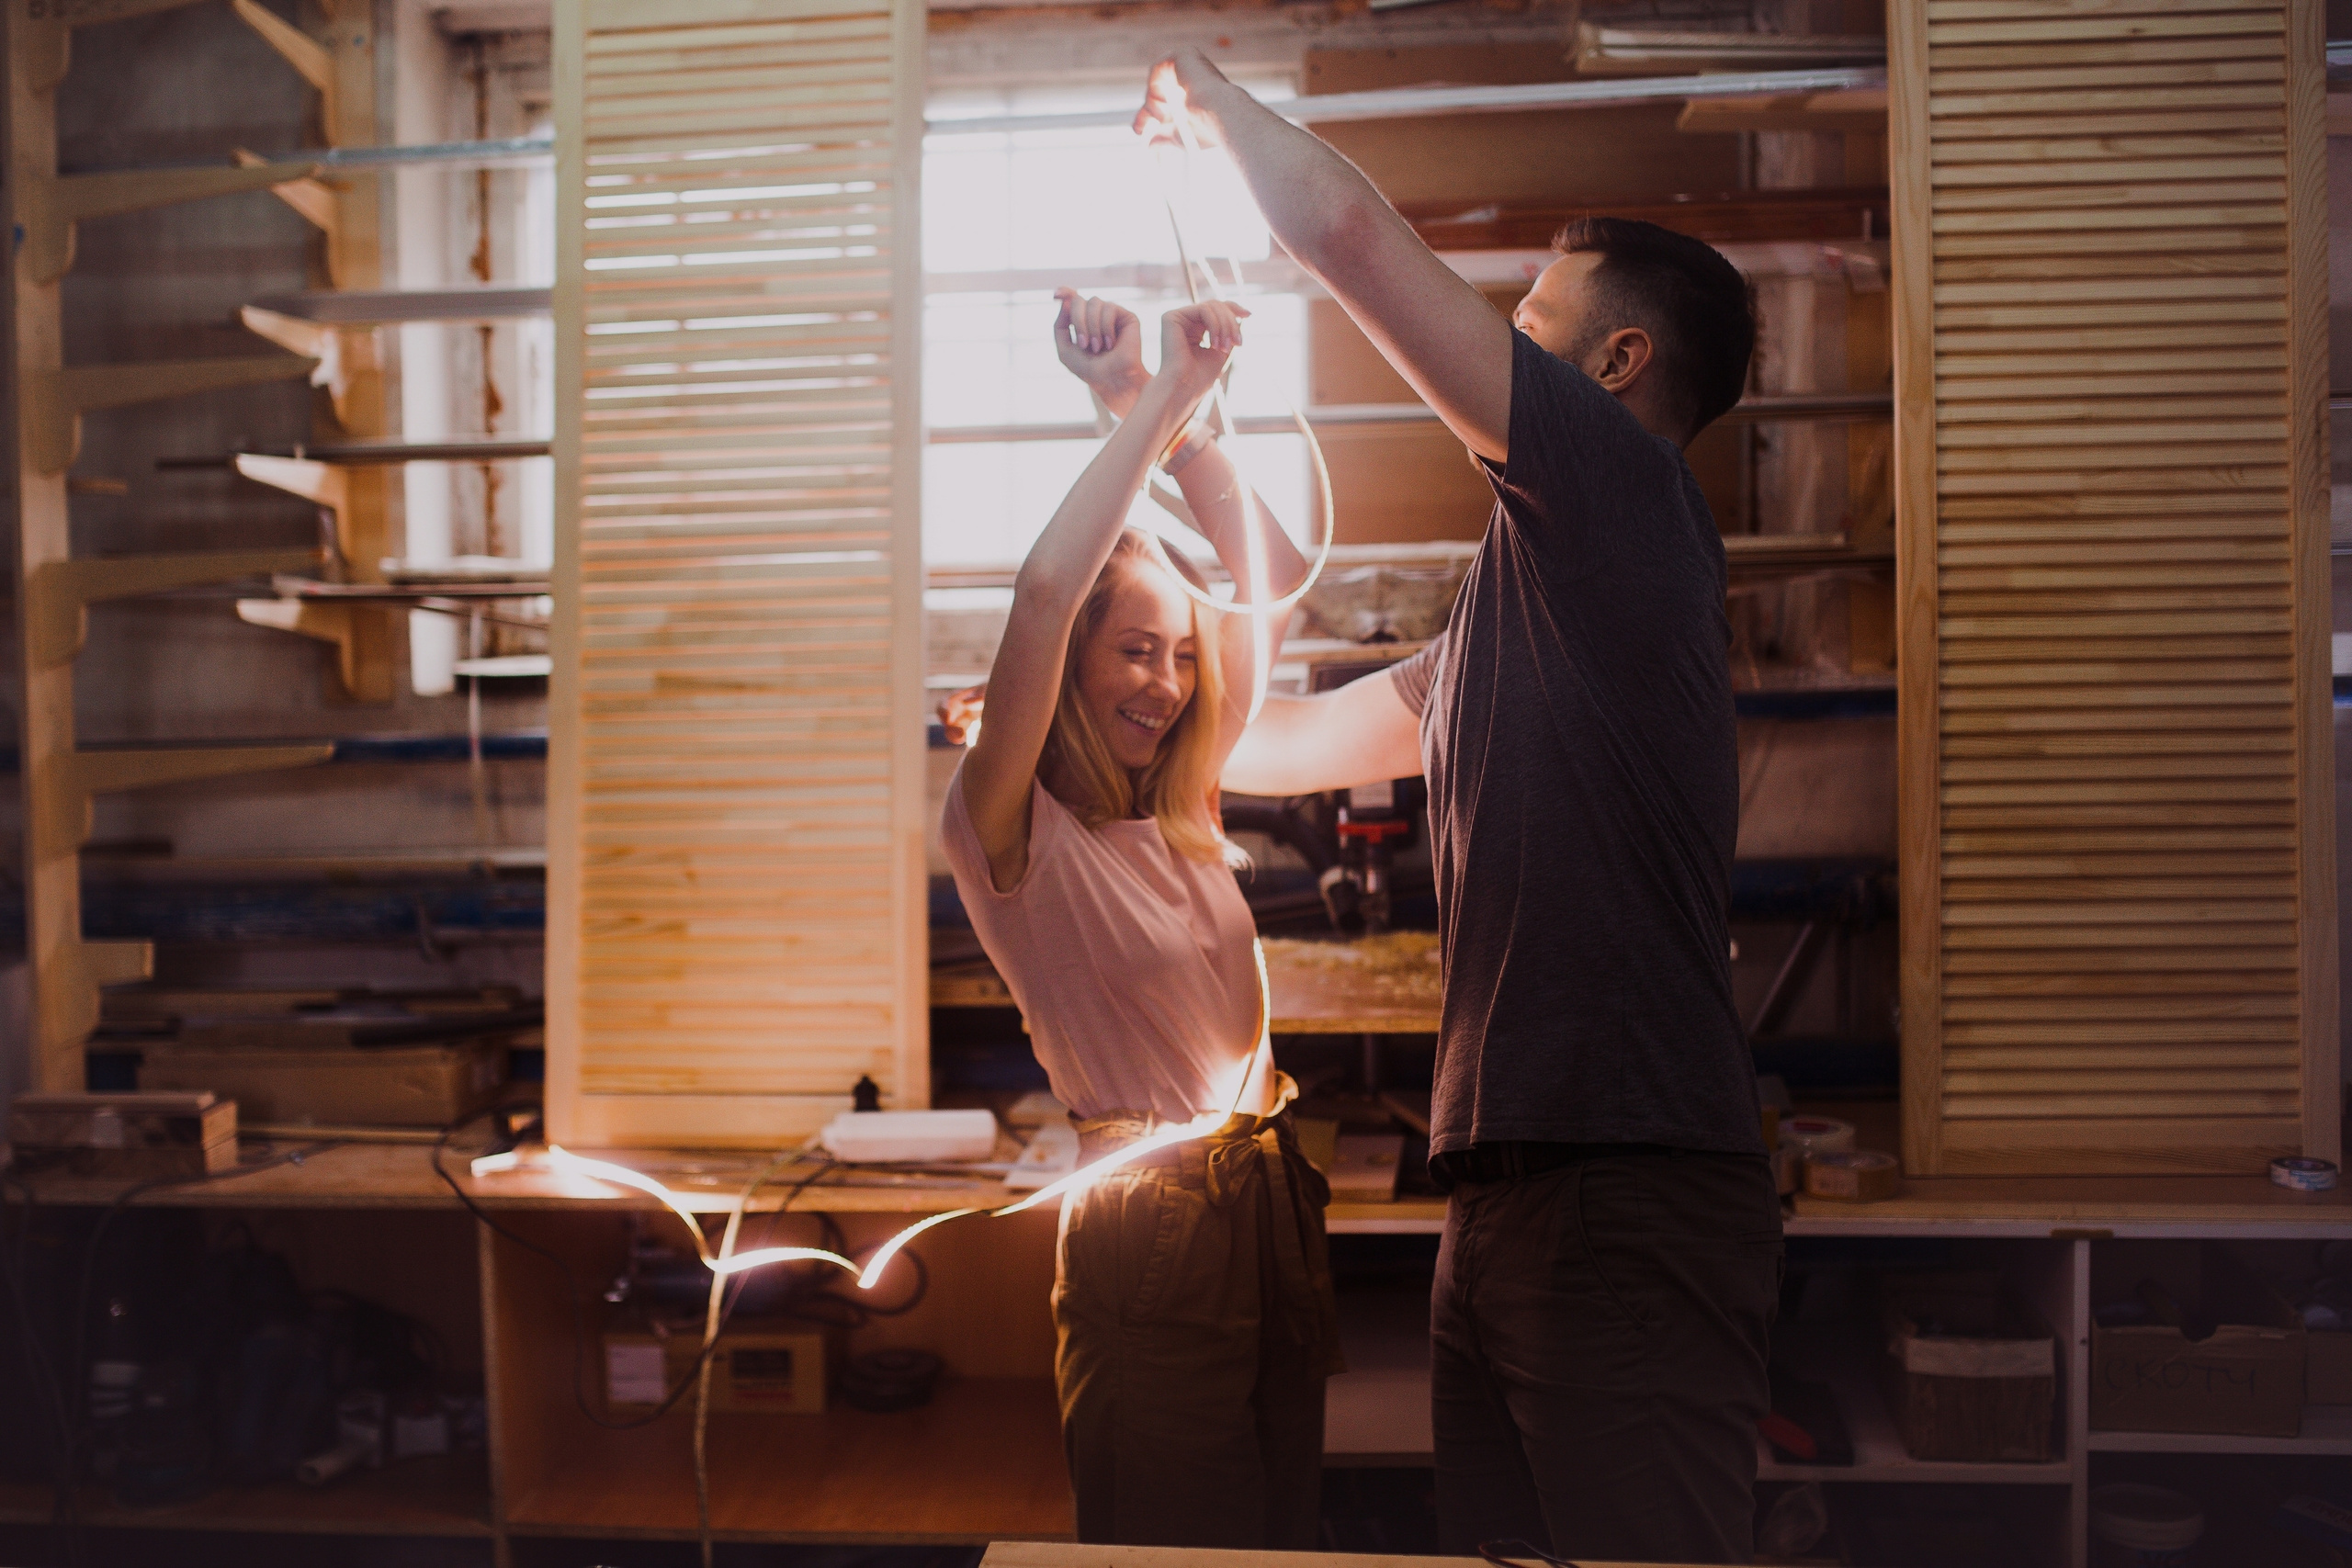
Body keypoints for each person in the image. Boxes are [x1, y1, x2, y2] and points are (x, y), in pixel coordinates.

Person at [1136, 49, 1783, 1566]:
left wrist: (1214, 101)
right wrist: (1098, 714)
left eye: (1528, 332)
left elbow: (1352, 241)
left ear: (1612, 369)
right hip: (1504, 1195)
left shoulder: (1622, 506)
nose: (1492, 354)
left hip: (1623, 1186)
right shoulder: (1521, 601)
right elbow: (1279, 744)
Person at [939, 288, 1337, 1549]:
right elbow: (1046, 594)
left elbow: (1272, 584)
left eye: (1179, 655)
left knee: (1275, 1536)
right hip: (1153, 1219)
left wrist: (1159, 407)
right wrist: (1160, 396)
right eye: (1135, 653)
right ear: (1074, 665)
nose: (1166, 683)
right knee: (1177, 1547)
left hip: (1267, 1191)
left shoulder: (1184, 804)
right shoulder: (1008, 830)